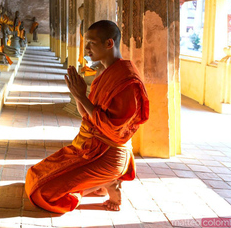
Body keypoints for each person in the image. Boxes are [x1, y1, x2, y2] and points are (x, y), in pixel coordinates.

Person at [25, 20, 149, 213]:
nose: (86, 48)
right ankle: (98, 185)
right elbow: (87, 115)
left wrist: (83, 96)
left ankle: (107, 181)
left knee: (42, 192)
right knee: (35, 174)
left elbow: (116, 132)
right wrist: (77, 95)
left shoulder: (128, 82)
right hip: (89, 147)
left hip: (108, 154)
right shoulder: (105, 73)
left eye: (91, 42)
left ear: (109, 43)